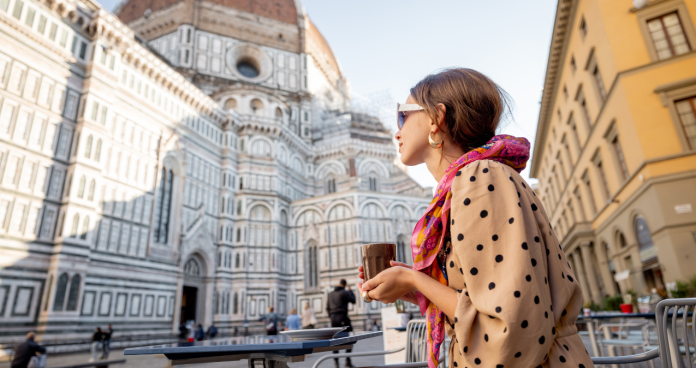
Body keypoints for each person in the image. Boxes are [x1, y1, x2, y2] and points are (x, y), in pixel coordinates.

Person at [357, 68, 594, 368]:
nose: (397, 130)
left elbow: (508, 332)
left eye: (403, 115)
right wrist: (409, 285)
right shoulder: (467, 184)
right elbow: (477, 301)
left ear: (435, 118)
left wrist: (412, 277)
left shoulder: (479, 178)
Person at [327, 279, 355, 368]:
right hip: (342, 317)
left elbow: (327, 308)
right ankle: (347, 360)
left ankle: (336, 363)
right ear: (345, 285)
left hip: (333, 319)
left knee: (335, 341)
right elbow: (353, 300)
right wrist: (350, 291)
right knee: (351, 338)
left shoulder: (330, 294)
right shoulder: (345, 292)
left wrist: (331, 316)